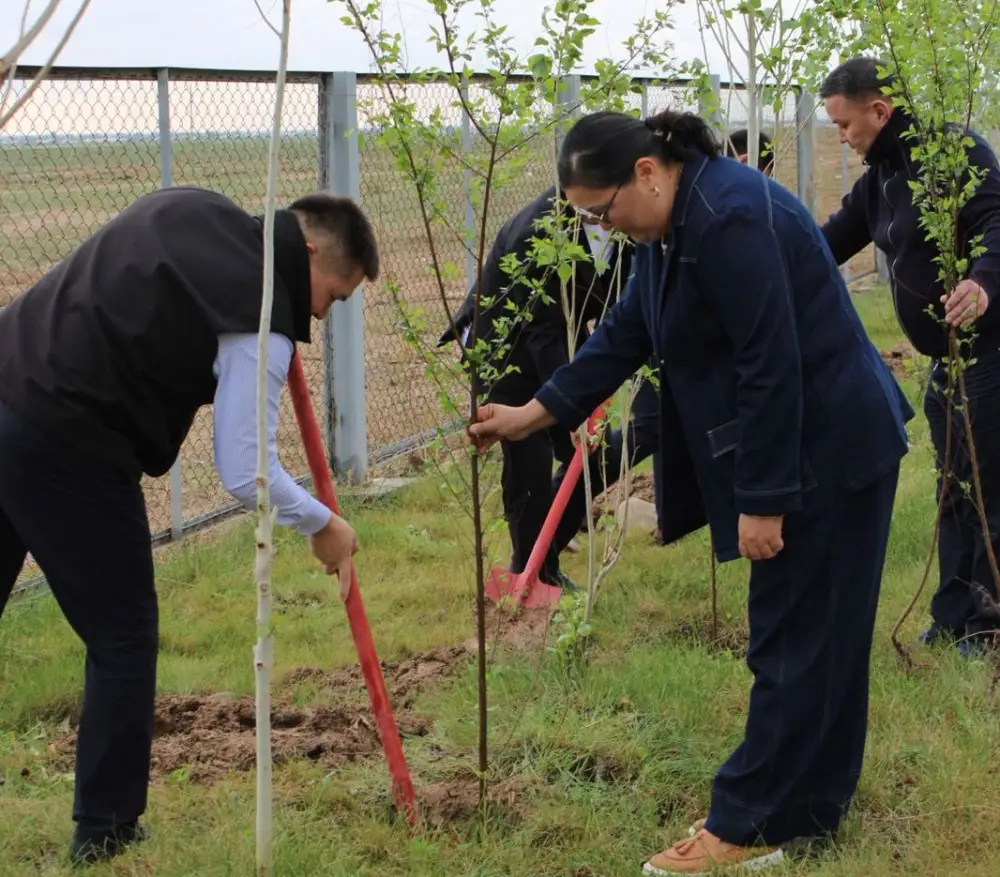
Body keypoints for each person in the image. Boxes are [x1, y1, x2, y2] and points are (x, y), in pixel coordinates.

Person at [467, 107, 914, 873]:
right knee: (822, 637)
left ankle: (741, 822)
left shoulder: (728, 217)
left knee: (791, 637)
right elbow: (629, 331)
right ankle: (806, 814)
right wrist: (536, 412)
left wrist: (765, 499)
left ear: (646, 172)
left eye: (600, 212)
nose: (600, 229)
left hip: (828, 447)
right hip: (817, 438)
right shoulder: (672, 223)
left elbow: (771, 364)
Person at [0, 185, 377, 865]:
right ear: (311, 251)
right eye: (334, 294)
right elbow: (244, 467)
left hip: (7, 376)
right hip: (65, 435)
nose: (322, 314)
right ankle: (106, 831)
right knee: (122, 633)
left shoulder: (191, 209)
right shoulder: (259, 307)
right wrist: (323, 522)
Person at [819, 55, 1000, 656]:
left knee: (987, 488)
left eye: (845, 124)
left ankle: (988, 624)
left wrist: (983, 282)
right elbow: (829, 243)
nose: (841, 137)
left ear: (880, 109)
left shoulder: (952, 153)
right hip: (946, 363)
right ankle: (952, 615)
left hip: (989, 352)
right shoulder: (880, 181)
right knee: (953, 487)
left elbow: (998, 220)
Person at [438, 185, 642, 588]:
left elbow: (621, 303)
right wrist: (571, 407)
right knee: (529, 462)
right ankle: (531, 575)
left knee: (590, 456)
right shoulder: (541, 230)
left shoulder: (625, 222)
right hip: (503, 346)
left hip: (560, 340)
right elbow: (543, 331)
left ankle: (543, 551)